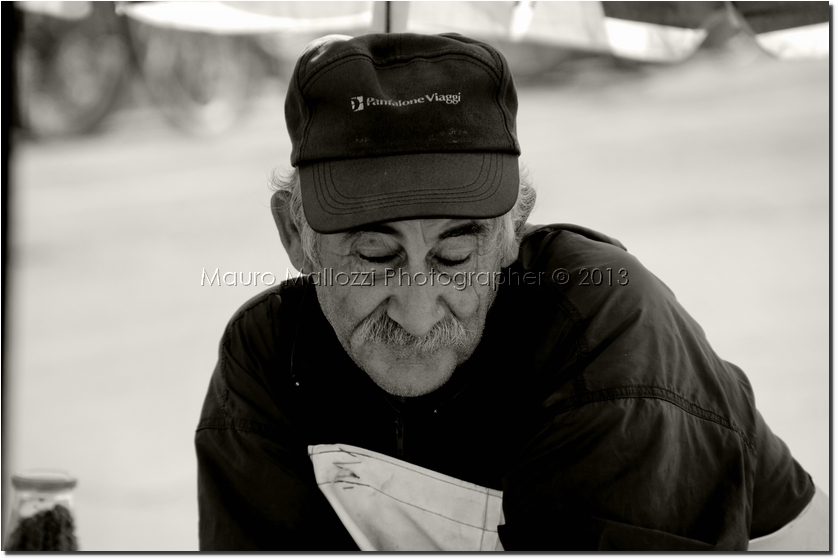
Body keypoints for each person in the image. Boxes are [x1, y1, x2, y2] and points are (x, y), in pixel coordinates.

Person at [195, 32, 827, 551]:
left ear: (515, 229)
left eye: (456, 254)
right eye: (375, 255)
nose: (418, 314)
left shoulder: (606, 342)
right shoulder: (269, 359)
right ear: (293, 236)